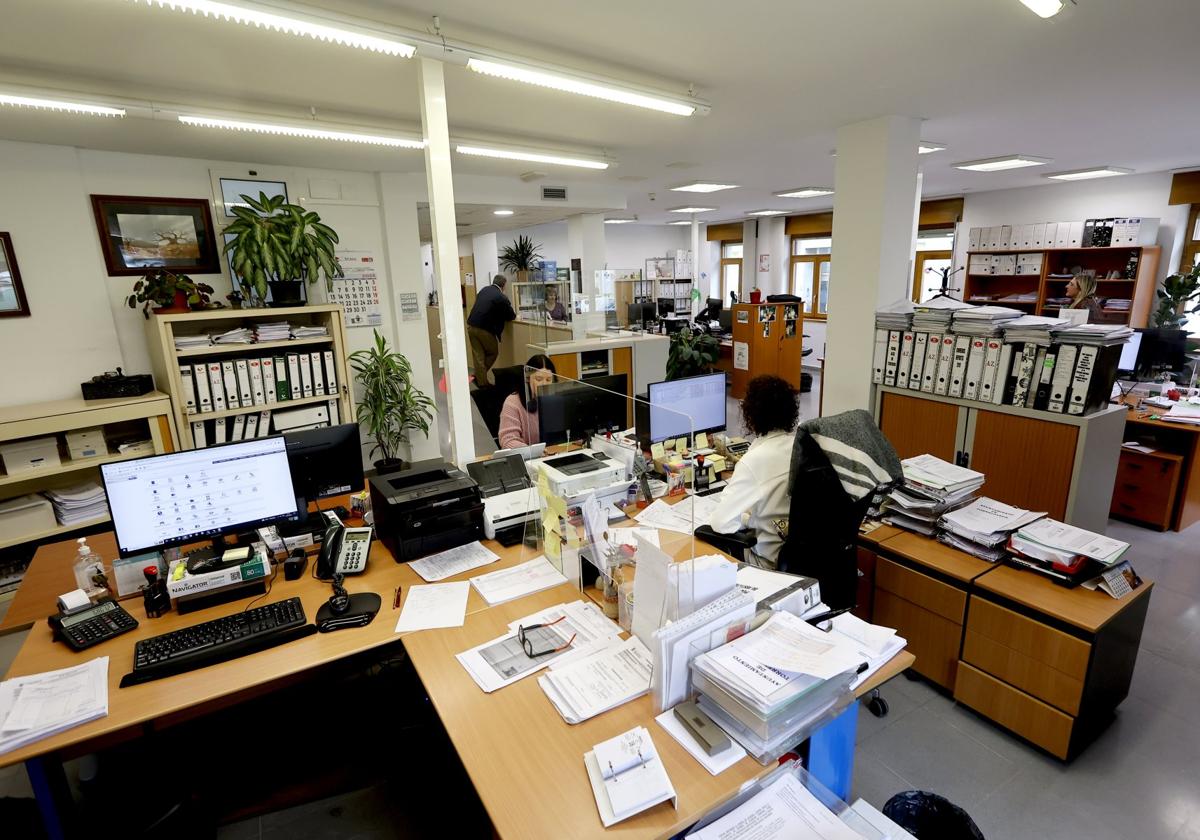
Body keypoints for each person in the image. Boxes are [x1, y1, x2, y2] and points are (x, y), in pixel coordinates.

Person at [708, 375, 798, 567]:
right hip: (798, 559)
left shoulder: (755, 461)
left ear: (751, 414)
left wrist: (746, 519)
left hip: (765, 562)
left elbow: (721, 523)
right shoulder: (799, 447)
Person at [466, 275, 516, 386]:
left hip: (471, 326)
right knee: (493, 352)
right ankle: (479, 378)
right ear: (503, 285)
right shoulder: (501, 297)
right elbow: (511, 316)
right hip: (484, 329)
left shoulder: (483, 290)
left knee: (478, 356)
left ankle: (482, 382)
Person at [498, 355, 557, 449]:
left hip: (554, 454)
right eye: (539, 379)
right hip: (527, 458)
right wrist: (535, 451)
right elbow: (508, 441)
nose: (544, 384)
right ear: (528, 379)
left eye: (548, 380)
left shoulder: (556, 400)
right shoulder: (512, 403)